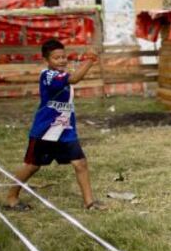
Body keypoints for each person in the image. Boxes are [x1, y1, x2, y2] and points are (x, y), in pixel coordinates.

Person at [6, 39, 104, 211]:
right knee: (32, 166)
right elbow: (74, 79)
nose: (61, 60)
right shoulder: (48, 76)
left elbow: (70, 80)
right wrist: (90, 59)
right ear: (47, 60)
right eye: (56, 58)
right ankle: (11, 197)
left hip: (66, 130)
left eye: (63, 57)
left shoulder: (61, 76)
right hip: (45, 131)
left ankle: (90, 203)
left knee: (80, 163)